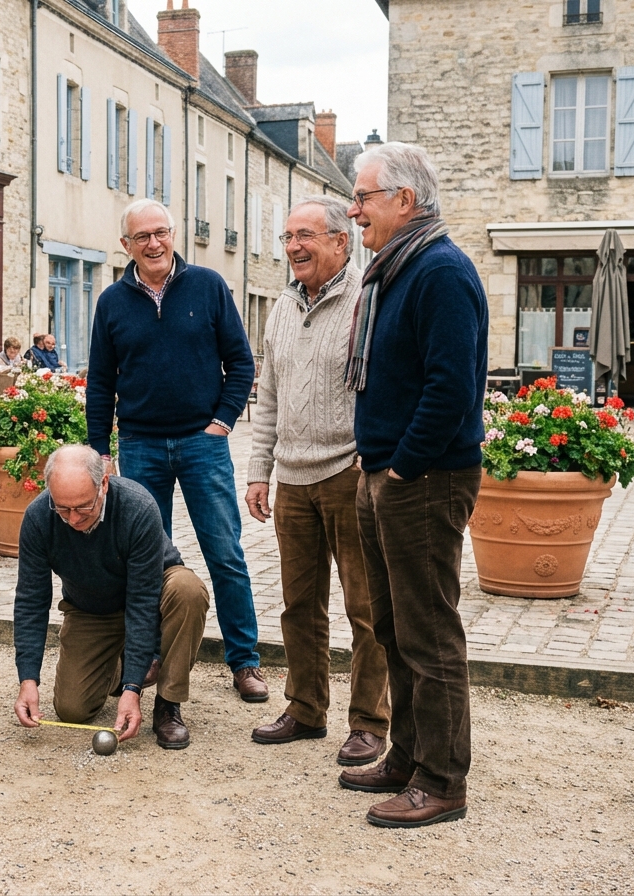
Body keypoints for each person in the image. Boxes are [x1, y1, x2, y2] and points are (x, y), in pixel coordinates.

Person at [338, 142, 487, 828]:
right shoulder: (394, 270)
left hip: (422, 477)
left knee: (429, 633)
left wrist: (401, 470)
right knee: (394, 626)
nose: (353, 207)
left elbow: (452, 388)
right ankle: (406, 754)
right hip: (386, 472)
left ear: (405, 199)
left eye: (363, 195)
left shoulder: (441, 270)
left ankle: (442, 780)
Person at [86, 198, 266, 702]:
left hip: (201, 444)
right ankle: (148, 655)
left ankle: (244, 660)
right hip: (140, 445)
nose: (154, 243)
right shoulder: (112, 303)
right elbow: (100, 382)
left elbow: (242, 362)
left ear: (173, 233)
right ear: (126, 245)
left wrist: (222, 422)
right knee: (146, 559)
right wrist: (100, 449)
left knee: (225, 552)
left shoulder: (207, 286)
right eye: (142, 236)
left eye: (161, 232)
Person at [244, 196, 390, 766]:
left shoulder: (368, 299)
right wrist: (260, 472)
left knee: (365, 607)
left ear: (340, 241)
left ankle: (368, 722)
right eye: (287, 237)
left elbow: (383, 385)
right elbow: (270, 396)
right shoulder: (282, 306)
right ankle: (305, 708)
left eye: (305, 235)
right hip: (293, 481)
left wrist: (371, 457)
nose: (294, 247)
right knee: (299, 605)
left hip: (348, 473)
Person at [13, 445, 209, 749]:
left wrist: (132, 690)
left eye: (82, 507)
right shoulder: (39, 517)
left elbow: (143, 600)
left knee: (188, 591)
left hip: (153, 596)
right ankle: (124, 664)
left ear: (103, 483)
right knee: (72, 709)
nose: (73, 519)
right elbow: (31, 600)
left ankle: (168, 704)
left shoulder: (137, 506)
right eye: (62, 508)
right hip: (91, 608)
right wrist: (28, 679)